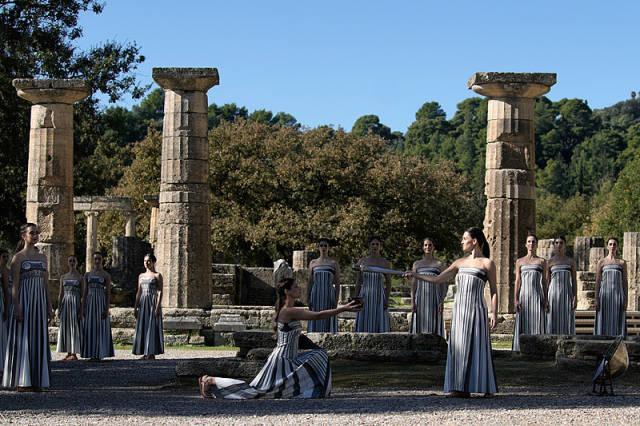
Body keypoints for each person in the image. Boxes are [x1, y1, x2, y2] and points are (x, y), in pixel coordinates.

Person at [198, 278, 361, 399]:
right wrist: (344, 308)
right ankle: (211, 380)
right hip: (281, 360)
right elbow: (318, 315)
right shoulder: (288, 311)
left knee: (319, 355)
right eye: (295, 287)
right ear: (287, 291)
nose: (299, 289)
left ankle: (313, 390)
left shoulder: (287, 309)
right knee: (255, 392)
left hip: (289, 358)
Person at [404, 227, 498, 397]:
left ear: (474, 241)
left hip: (477, 310)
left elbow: (494, 291)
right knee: (458, 347)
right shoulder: (459, 263)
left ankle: (484, 386)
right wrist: (415, 275)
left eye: (464, 239)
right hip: (459, 311)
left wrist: (494, 313)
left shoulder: (487, 263)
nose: (462, 242)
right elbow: (437, 279)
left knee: (478, 347)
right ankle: (459, 387)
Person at [2, 223, 53, 391]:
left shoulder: (43, 258)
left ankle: (37, 380)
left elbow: (45, 283)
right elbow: (14, 285)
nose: (35, 235)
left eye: (37, 233)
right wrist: (16, 306)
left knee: (38, 338)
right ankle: (22, 381)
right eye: (32, 233)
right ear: (24, 235)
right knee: (23, 338)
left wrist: (49, 305)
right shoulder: (18, 258)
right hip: (24, 301)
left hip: (39, 302)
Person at [512, 233, 547, 351]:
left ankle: (537, 349)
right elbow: (518, 281)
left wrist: (546, 299)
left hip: (537, 296)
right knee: (523, 322)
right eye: (529, 241)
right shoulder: (519, 261)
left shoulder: (542, 261)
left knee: (537, 322)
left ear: (536, 244)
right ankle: (521, 349)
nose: (531, 243)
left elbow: (544, 282)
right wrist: (516, 299)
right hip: (524, 296)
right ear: (526, 244)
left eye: (533, 242)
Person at [81, 251, 114, 361]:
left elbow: (108, 293)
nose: (97, 261)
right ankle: (91, 353)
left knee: (100, 326)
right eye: (95, 259)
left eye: (99, 258)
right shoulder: (87, 275)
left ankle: (100, 353)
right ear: (92, 260)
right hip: (90, 302)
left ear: (102, 260)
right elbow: (85, 292)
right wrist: (83, 307)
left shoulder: (106, 275)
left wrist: (107, 308)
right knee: (90, 327)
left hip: (100, 301)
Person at [354, 236, 391, 333]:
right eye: (373, 244)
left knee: (378, 319)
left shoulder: (385, 263)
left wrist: (386, 299)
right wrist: (356, 298)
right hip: (365, 295)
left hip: (379, 296)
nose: (375, 246)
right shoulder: (362, 261)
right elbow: (358, 281)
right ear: (369, 246)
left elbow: (388, 282)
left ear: (380, 246)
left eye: (377, 244)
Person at [410, 237, 446, 336]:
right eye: (425, 245)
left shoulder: (439, 264)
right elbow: (414, 283)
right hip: (420, 298)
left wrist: (442, 301)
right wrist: (412, 301)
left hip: (435, 298)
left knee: (434, 325)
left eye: (430, 245)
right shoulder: (416, 264)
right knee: (419, 324)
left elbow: (443, 284)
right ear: (423, 247)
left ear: (433, 247)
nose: (428, 247)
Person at [132, 253, 164, 360]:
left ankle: (151, 353)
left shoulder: (157, 275)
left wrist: (157, 307)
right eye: (145, 261)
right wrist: (135, 307)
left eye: (149, 261)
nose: (147, 263)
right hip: (143, 302)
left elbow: (160, 292)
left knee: (152, 326)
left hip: (152, 302)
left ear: (153, 262)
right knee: (143, 326)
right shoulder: (141, 276)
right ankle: (145, 352)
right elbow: (139, 292)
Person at [594, 238, 627, 337]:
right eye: (610, 244)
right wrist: (596, 298)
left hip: (618, 295)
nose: (612, 246)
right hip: (604, 295)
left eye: (614, 244)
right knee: (604, 319)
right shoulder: (601, 262)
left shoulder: (622, 263)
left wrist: (626, 299)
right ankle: (603, 341)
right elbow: (598, 281)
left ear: (617, 246)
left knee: (617, 319)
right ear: (607, 246)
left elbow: (625, 282)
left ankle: (618, 341)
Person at [307, 238, 340, 333]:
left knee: (328, 316)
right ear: (318, 247)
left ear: (329, 248)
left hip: (329, 295)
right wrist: (308, 298)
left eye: (325, 245)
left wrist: (336, 300)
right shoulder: (313, 263)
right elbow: (310, 282)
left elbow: (337, 283)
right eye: (321, 245)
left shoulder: (334, 263)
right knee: (315, 315)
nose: (323, 247)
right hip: (316, 295)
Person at [546, 236, 577, 335]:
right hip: (553, 293)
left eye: (561, 243)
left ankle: (568, 340)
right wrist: (546, 298)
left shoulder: (570, 261)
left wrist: (575, 297)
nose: (559, 245)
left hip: (566, 293)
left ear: (565, 245)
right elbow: (547, 281)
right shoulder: (550, 262)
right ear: (554, 245)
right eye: (557, 243)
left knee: (566, 318)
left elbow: (574, 280)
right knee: (553, 318)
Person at [56, 255, 83, 361]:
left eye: (74, 261)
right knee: (66, 326)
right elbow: (60, 293)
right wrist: (59, 307)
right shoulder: (63, 277)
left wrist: (81, 309)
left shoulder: (80, 277)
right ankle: (68, 352)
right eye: (70, 261)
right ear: (68, 263)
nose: (72, 263)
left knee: (74, 326)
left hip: (75, 303)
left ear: (77, 263)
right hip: (66, 303)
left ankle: (74, 353)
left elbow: (83, 294)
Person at [0, 249, 10, 372]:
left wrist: (6, 308)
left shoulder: (4, 271)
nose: (6, 259)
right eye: (4, 256)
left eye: (7, 256)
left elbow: (7, 291)